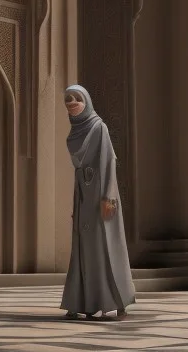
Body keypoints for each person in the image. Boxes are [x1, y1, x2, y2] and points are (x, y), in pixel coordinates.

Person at [61, 84, 135, 320]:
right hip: (83, 195)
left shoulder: (97, 127)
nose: (72, 102)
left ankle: (115, 302)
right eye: (68, 99)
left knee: (105, 248)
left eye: (76, 98)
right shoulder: (76, 131)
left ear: (87, 101)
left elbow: (108, 162)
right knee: (84, 250)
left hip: (103, 197)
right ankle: (84, 303)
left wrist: (109, 200)